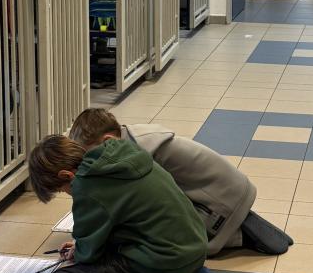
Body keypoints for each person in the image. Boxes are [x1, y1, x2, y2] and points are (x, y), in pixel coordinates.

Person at [27, 134, 211, 273]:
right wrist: (84, 244)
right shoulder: (124, 154)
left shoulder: (87, 185)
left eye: (62, 189)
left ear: (67, 175)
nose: (67, 193)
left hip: (165, 263)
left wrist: (80, 250)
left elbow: (89, 253)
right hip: (194, 249)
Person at [68, 107, 293, 256]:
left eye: (89, 154)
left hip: (220, 205)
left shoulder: (138, 155)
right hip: (231, 190)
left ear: (107, 140)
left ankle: (238, 235)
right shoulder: (133, 136)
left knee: (159, 238)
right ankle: (241, 224)